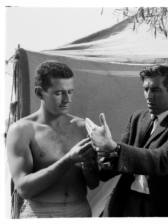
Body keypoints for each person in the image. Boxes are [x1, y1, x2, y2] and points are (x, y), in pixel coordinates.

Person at [89, 65, 168, 216]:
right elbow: (117, 161)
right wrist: (100, 152)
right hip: (123, 202)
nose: (148, 95)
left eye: (155, 90)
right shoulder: (138, 118)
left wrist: (114, 147)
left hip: (157, 208)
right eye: (145, 89)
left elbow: (162, 161)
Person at [6, 61, 99, 218]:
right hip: (39, 213)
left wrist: (89, 164)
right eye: (59, 93)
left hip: (80, 210)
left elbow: (93, 183)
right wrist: (68, 160)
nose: (67, 99)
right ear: (39, 93)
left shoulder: (82, 126)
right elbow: (23, 189)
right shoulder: (22, 130)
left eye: (70, 92)